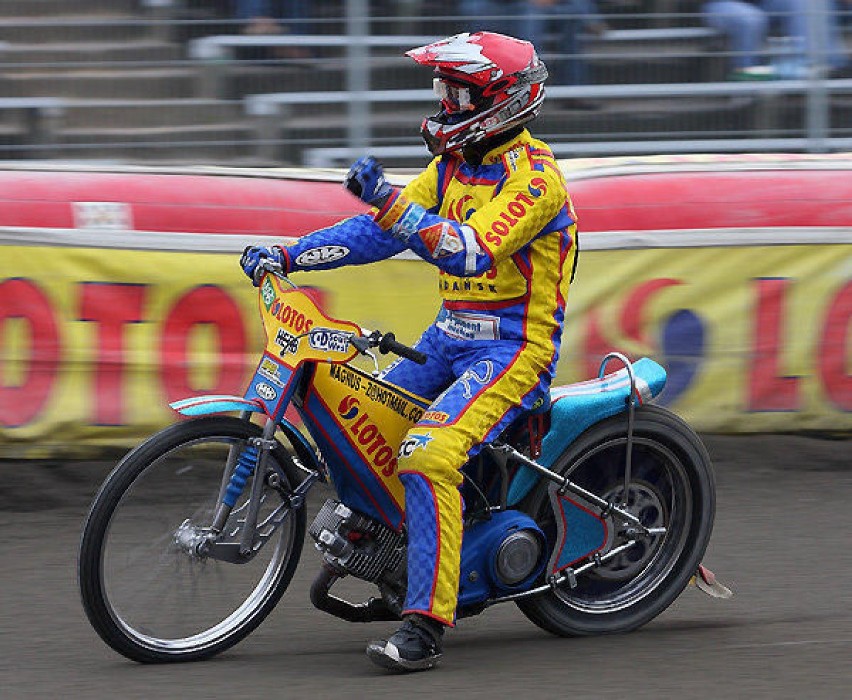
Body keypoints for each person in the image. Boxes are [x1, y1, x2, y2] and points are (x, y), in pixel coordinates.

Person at [240, 31, 578, 672]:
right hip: (448, 337)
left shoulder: (536, 180)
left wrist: (390, 201)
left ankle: (425, 624)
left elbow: (468, 248)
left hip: (512, 351)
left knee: (426, 452)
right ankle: (387, 544)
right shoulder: (455, 166)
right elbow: (379, 233)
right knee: (366, 418)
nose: (444, 105)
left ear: (500, 102)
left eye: (456, 94)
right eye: (443, 92)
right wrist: (287, 254)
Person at [695, 0, 850, 79]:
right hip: (724, 5)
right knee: (749, 19)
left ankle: (815, 63)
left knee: (806, 2)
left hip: (769, 4)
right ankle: (747, 76)